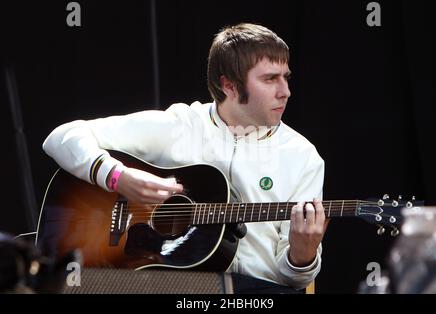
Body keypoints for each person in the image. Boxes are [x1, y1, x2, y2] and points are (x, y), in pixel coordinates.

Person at [42, 23, 327, 293]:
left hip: (253, 293)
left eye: (286, 77)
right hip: (166, 285)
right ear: (229, 85)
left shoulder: (303, 157)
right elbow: (61, 137)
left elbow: (292, 278)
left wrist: (302, 256)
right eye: (270, 79)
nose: (285, 91)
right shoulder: (180, 125)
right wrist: (117, 177)